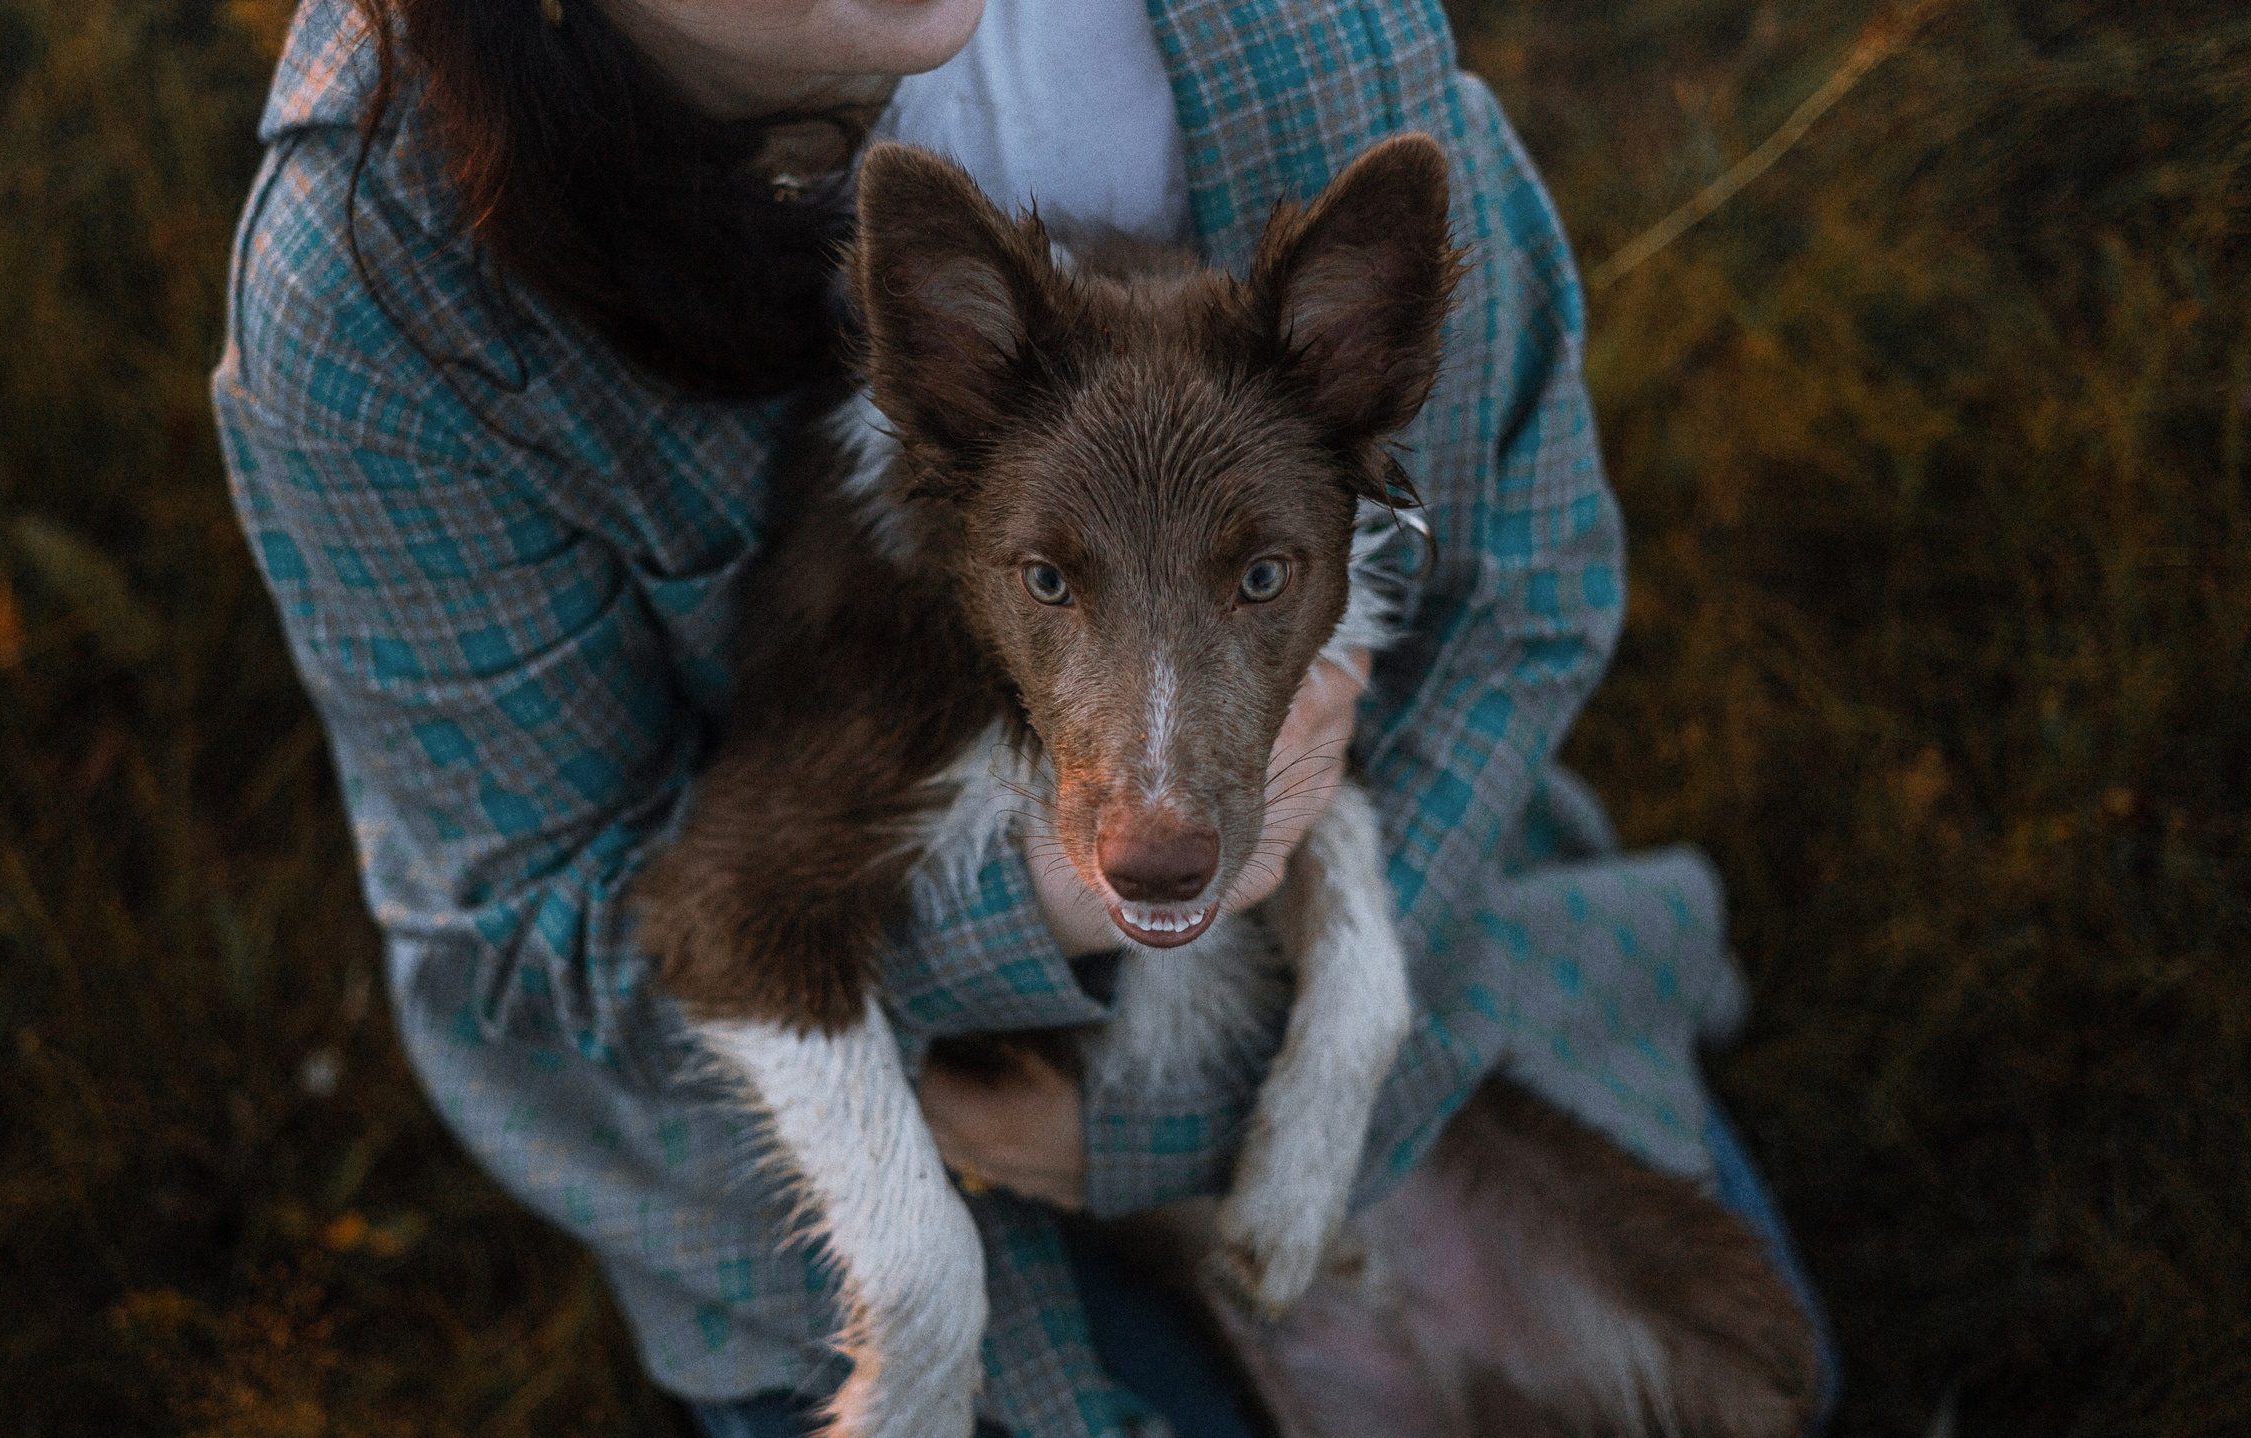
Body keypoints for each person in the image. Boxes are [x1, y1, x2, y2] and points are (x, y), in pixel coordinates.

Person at [212, 1, 1838, 1434]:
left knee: (1759, 1379)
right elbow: (528, 967)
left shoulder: (1292, 30)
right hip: (877, 1157)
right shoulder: (372, 298)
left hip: (1381, 948)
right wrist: (1029, 916)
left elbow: (1528, 585)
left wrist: (1252, 1094)